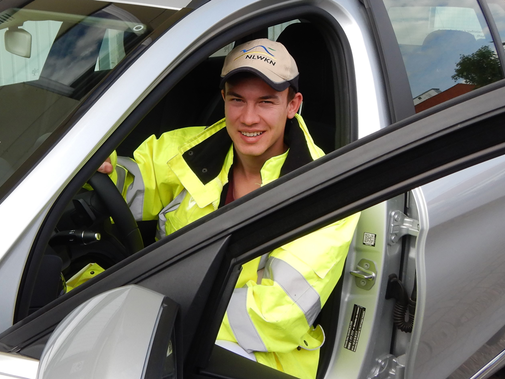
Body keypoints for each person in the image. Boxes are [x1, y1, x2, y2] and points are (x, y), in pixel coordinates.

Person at [96, 38, 359, 379]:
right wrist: (97, 169)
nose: (248, 118)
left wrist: (160, 317)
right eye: (238, 100)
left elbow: (275, 317)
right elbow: (128, 189)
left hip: (256, 357)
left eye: (266, 102)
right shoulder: (190, 151)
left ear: (293, 104)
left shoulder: (323, 191)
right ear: (223, 98)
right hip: (163, 325)